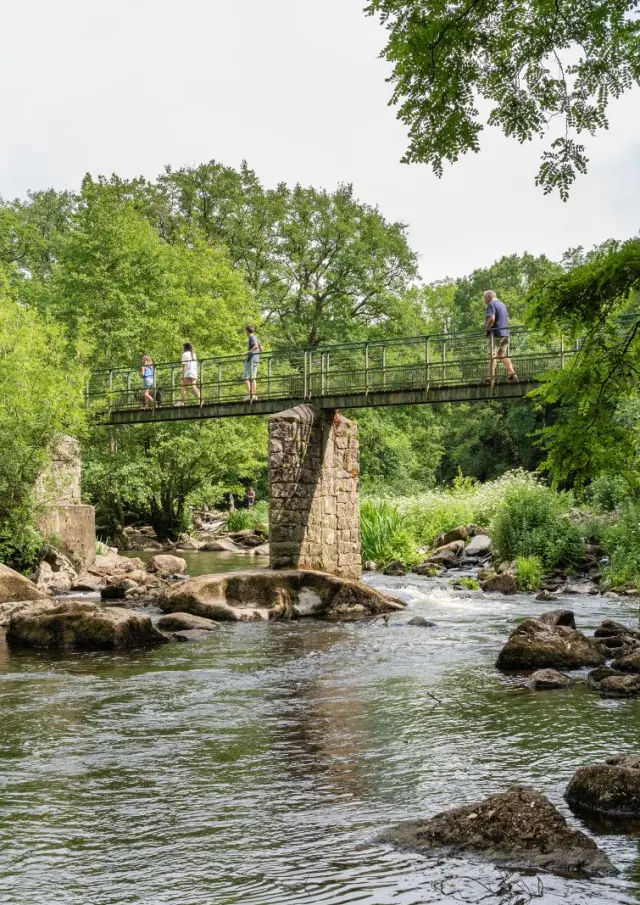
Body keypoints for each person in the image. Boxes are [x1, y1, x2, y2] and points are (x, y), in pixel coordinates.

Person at [483, 290, 518, 384]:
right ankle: (512, 374)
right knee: (501, 355)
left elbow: (491, 318)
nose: (484, 301)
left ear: (489, 296)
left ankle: (490, 377)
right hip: (505, 333)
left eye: (485, 298)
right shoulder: (502, 305)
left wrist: (486, 329)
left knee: (492, 355)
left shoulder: (491, 304)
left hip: (496, 334)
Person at [243, 325, 262, 401]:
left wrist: (247, 352)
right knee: (253, 377)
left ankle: (250, 395)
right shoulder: (256, 337)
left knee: (245, 377)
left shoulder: (251, 337)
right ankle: (254, 395)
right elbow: (261, 348)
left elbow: (256, 346)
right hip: (256, 359)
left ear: (247, 331)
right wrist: (257, 355)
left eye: (245, 330)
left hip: (251, 359)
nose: (245, 332)